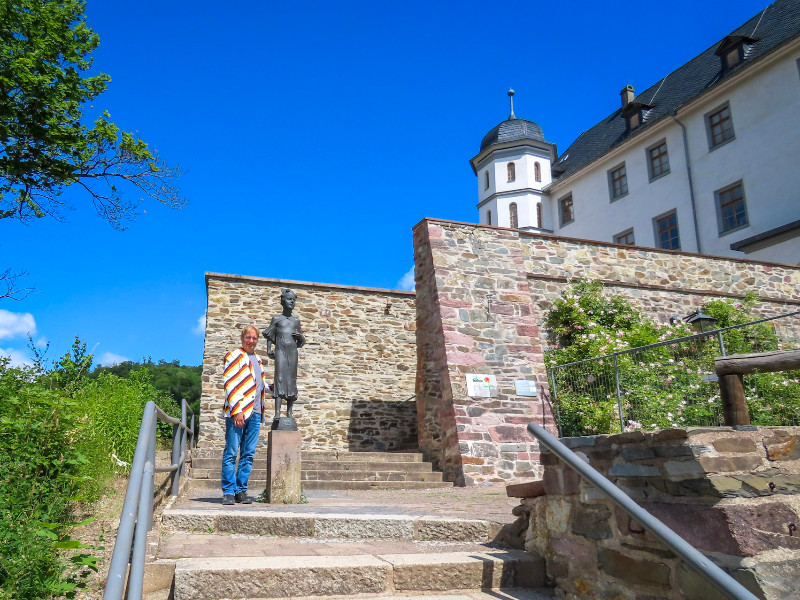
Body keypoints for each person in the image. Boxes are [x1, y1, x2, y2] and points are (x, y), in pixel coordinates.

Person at [220, 325, 269, 505]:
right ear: (242, 338)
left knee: (248, 454)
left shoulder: (257, 359)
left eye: (254, 338)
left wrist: (275, 389)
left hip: (255, 412)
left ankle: (241, 490)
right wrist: (237, 410)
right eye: (248, 337)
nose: (251, 341)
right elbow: (230, 384)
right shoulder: (234, 356)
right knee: (232, 452)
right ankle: (228, 491)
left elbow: (260, 386)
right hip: (239, 412)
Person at [263, 289, 306, 420]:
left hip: (292, 352)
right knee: (280, 378)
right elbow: (270, 335)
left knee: (291, 380)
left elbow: (301, 342)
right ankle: (277, 413)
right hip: (280, 351)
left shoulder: (296, 321)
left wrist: (300, 337)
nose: (292, 302)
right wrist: (269, 349)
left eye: (294, 300)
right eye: (289, 299)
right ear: (282, 301)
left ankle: (289, 413)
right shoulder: (277, 319)